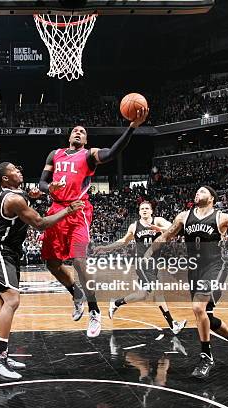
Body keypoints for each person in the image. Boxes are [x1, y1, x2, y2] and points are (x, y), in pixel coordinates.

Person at [38, 109, 149, 338]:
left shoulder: (89, 155)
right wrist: (50, 188)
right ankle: (75, 293)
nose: (79, 132)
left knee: (79, 261)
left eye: (83, 132)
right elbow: (41, 182)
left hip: (78, 211)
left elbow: (112, 153)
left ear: (86, 140)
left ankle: (94, 310)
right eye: (76, 130)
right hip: (56, 211)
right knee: (51, 263)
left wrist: (132, 127)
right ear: (70, 136)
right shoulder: (54, 154)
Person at [147, 186, 228, 378]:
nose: (197, 193)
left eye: (202, 191)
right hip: (194, 270)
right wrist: (149, 251)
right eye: (196, 192)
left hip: (216, 269)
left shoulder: (221, 217)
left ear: (212, 198)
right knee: (207, 316)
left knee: (199, 308)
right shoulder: (184, 217)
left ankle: (206, 357)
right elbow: (167, 236)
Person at [0, 162, 83, 380]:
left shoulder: (17, 194)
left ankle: (3, 355)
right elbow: (40, 223)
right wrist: (68, 209)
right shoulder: (13, 199)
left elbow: (25, 198)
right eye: (14, 170)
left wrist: (34, 195)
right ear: (5, 179)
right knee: (12, 301)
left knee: (5, 302)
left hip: (10, 252)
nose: (19, 170)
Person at [93, 201, 186, 334]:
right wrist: (105, 248)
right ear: (139, 212)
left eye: (147, 208)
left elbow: (174, 229)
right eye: (142, 208)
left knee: (142, 295)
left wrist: (159, 229)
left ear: (151, 211)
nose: (144, 210)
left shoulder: (158, 221)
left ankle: (116, 303)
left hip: (154, 263)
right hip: (142, 263)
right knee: (158, 292)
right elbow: (123, 241)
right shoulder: (134, 226)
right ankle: (173, 325)